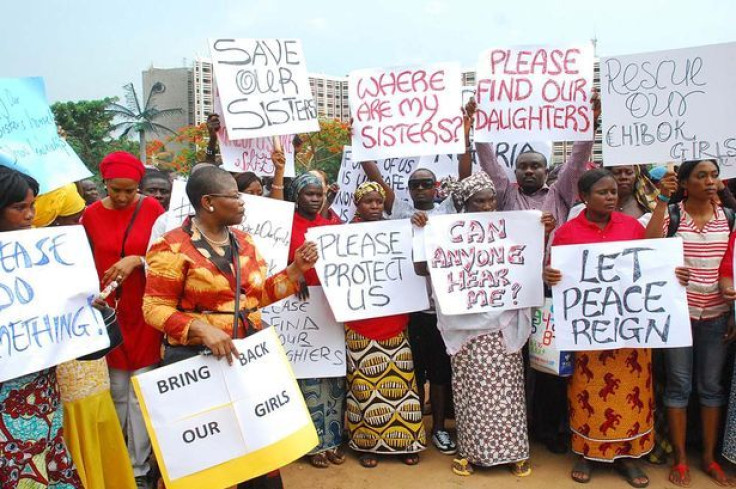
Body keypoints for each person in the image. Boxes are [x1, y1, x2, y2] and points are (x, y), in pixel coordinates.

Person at [143, 166, 318, 489]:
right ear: (208, 202)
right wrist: (200, 329)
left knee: (255, 450)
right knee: (208, 459)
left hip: (244, 362)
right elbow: (153, 309)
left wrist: (295, 270)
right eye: (235, 196)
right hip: (196, 366)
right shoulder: (172, 247)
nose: (243, 202)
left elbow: (253, 299)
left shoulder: (244, 242)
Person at [546, 169, 689, 487]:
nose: (611, 197)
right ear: (584, 197)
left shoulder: (631, 226)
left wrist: (674, 273)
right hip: (590, 335)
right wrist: (551, 276)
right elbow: (558, 276)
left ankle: (627, 457)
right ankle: (585, 452)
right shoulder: (568, 232)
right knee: (587, 394)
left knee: (631, 394)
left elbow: (653, 259)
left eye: (613, 192)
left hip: (630, 332)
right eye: (603, 192)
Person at [415, 172, 546, 478]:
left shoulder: (510, 230)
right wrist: (423, 234)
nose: (487, 205)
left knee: (507, 393)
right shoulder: (444, 232)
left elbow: (526, 261)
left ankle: (514, 452)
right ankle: (471, 452)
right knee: (471, 393)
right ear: (464, 204)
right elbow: (422, 267)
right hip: (466, 329)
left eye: (490, 200)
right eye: (479, 201)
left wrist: (541, 229)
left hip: (503, 327)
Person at [32, 183, 137, 489]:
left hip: (90, 367)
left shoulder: (74, 248)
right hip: (60, 375)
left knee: (98, 422)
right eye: (69, 218)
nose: (77, 224)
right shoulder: (20, 260)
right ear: (50, 219)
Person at [646, 159, 734, 487]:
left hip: (716, 317)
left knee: (711, 388)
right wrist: (661, 201)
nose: (710, 181)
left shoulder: (728, 217)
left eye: (714, 175)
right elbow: (648, 247)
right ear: (685, 183)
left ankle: (709, 458)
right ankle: (681, 459)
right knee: (679, 387)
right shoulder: (673, 215)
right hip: (677, 317)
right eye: (701, 176)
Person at [360, 163, 456, 454]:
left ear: (436, 186)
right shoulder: (400, 211)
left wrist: (465, 135)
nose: (421, 189)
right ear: (408, 190)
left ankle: (438, 428)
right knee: (413, 373)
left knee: (440, 374)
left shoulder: (448, 212)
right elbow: (376, 178)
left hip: (441, 312)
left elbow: (465, 179)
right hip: (409, 311)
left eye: (427, 184)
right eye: (415, 185)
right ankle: (413, 427)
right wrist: (362, 140)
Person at [81, 151, 165, 486]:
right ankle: (114, 462)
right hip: (108, 313)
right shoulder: (89, 216)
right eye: (115, 190)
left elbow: (166, 254)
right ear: (105, 184)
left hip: (144, 310)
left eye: (130, 190)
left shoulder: (153, 210)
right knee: (115, 389)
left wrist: (137, 261)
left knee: (139, 390)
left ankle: (138, 467)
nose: (122, 197)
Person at [0, 166, 83, 489]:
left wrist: (83, 310)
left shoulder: (45, 255)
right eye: (19, 207)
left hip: (42, 392)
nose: (30, 215)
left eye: (32, 205)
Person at [344, 181, 427, 468]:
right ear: (357, 204)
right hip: (360, 323)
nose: (375, 207)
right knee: (364, 389)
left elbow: (418, 261)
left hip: (394, 322)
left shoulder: (397, 231)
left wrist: (418, 228)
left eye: (379, 202)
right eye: (368, 202)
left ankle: (405, 442)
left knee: (402, 386)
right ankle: (367, 445)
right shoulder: (343, 235)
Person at [287, 173, 346, 468]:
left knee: (333, 374)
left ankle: (333, 439)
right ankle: (312, 444)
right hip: (298, 310)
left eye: (317, 194)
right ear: (297, 196)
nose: (314, 198)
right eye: (308, 194)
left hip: (329, 309)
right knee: (306, 377)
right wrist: (292, 275)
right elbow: (273, 260)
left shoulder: (333, 226)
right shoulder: (285, 225)